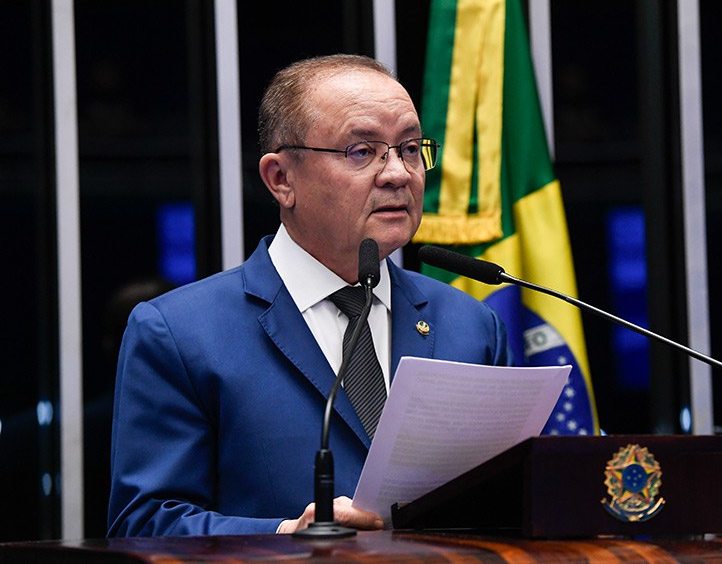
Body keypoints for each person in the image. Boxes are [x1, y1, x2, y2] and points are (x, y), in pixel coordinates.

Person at [107, 54, 511, 537]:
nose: (398, 174)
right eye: (362, 151)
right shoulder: (179, 333)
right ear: (281, 179)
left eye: (408, 148)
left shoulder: (469, 325)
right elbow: (145, 524)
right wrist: (285, 538)